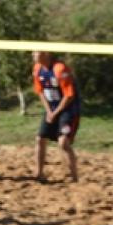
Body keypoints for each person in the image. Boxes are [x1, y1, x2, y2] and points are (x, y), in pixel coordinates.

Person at [32, 51, 81, 182]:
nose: (33, 55)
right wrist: (49, 111)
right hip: (51, 109)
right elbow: (40, 92)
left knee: (63, 142)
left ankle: (74, 176)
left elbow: (69, 96)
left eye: (36, 52)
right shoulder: (37, 69)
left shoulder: (60, 69)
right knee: (40, 139)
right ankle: (39, 173)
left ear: (46, 54)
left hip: (67, 110)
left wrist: (55, 113)